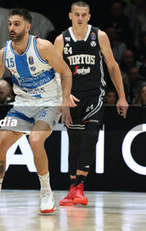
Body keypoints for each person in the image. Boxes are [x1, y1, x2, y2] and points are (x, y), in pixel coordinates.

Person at [0, 8, 73, 214]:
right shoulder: (4, 53)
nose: (12, 28)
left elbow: (65, 72)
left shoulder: (43, 47)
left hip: (49, 102)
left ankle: (46, 193)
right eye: (10, 23)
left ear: (28, 27)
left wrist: (65, 99)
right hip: (23, 104)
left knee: (36, 140)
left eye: (16, 24)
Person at [54, 1, 129, 206]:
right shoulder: (61, 39)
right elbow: (54, 72)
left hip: (95, 93)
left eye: (84, 14)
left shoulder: (99, 36)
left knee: (92, 134)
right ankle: (72, 189)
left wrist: (121, 96)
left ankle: (78, 187)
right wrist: (64, 97)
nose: (80, 18)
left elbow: (112, 66)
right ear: (70, 15)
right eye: (76, 14)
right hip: (72, 96)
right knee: (75, 142)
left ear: (89, 16)